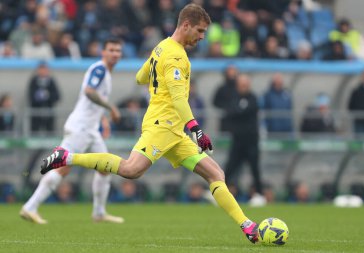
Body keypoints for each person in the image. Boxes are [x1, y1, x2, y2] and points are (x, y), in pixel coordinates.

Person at [40, 4, 259, 244]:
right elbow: (177, 99)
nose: (202, 36)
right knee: (131, 170)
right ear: (185, 25)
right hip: (162, 126)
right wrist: (196, 129)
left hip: (174, 131)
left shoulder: (161, 47)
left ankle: (246, 225)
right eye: (199, 30)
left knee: (216, 173)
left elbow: (140, 77)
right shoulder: (175, 56)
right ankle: (67, 157)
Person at [20, 38, 124, 224]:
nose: (115, 54)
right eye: (111, 50)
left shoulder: (105, 73)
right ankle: (30, 207)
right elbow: (89, 92)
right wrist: (111, 108)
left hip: (90, 129)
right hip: (80, 128)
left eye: (118, 50)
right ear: (103, 52)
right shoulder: (99, 69)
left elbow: (91, 103)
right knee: (63, 167)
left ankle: (99, 212)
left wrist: (103, 120)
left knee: (105, 167)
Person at [223, 74, 264, 204]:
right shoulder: (233, 98)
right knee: (229, 168)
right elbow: (230, 113)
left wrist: (238, 112)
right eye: (241, 84)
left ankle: (259, 195)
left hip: (251, 141)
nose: (243, 86)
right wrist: (238, 112)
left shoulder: (253, 98)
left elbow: (244, 111)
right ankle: (218, 192)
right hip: (237, 141)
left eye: (245, 84)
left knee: (255, 169)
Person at [27, 61, 61, 133]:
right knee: (35, 132)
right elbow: (30, 96)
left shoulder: (51, 81)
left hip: (48, 113)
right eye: (41, 69)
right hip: (36, 113)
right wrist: (38, 97)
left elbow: (57, 96)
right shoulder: (34, 81)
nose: (43, 71)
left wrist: (48, 96)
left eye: (45, 69)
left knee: (50, 133)